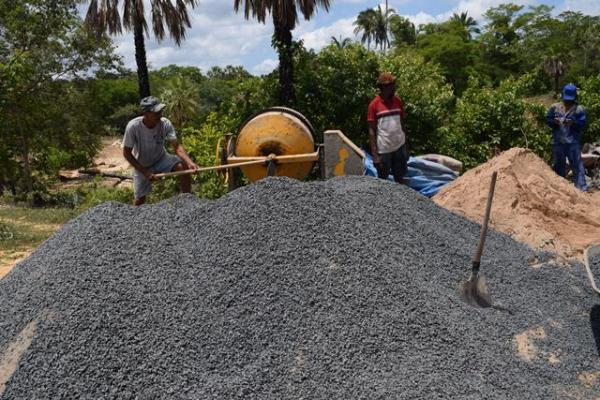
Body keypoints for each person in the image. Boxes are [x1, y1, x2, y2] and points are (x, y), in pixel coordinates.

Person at [123, 96, 199, 206]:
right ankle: (134, 217)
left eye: (160, 111)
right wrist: (145, 172)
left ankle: (187, 201)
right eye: (156, 112)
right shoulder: (133, 127)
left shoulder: (165, 123)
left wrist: (190, 162)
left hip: (161, 158)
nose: (160, 114)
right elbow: (127, 154)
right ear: (146, 113)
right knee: (140, 199)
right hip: (142, 164)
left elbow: (177, 147)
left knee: (183, 167)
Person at [367, 71, 409, 183]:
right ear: (382, 87)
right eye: (390, 85)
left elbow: (402, 123)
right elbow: (371, 130)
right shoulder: (374, 105)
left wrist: (406, 146)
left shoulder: (397, 101)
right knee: (383, 180)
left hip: (399, 146)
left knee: (400, 177)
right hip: (384, 149)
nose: (393, 87)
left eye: (393, 84)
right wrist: (375, 155)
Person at [546, 83, 588, 192]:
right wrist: (554, 122)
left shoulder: (579, 109)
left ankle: (582, 190)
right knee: (558, 167)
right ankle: (560, 190)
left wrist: (572, 123)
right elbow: (548, 120)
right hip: (558, 142)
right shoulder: (555, 107)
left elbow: (582, 124)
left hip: (573, 143)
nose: (568, 101)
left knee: (577, 168)